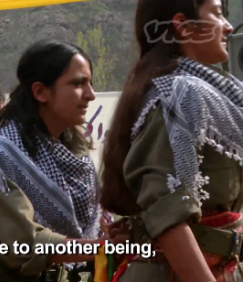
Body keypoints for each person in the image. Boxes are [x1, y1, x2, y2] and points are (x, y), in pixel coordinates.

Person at [100, 0, 242, 281]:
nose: (227, 27)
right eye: (216, 14)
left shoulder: (200, 92)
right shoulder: (181, 94)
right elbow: (168, 215)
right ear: (184, 26)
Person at [0, 39, 111, 282]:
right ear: (40, 91)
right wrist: (101, 248)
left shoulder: (73, 152)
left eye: (90, 83)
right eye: (78, 84)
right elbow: (24, 244)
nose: (90, 94)